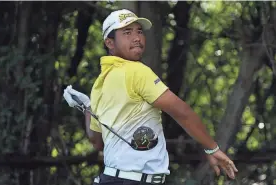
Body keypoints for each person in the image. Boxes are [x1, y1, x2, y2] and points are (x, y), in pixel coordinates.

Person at [63, 9, 238, 185]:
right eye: (127, 33)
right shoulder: (136, 71)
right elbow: (181, 111)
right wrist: (211, 148)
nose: (137, 37)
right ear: (110, 43)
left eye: (139, 31)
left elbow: (97, 141)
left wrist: (87, 107)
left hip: (111, 179)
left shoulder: (99, 85)